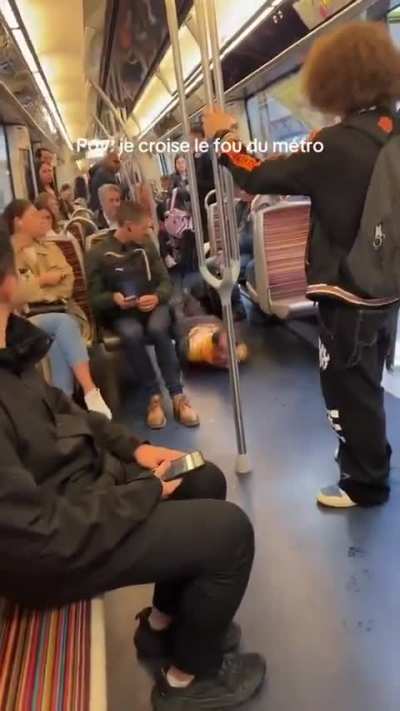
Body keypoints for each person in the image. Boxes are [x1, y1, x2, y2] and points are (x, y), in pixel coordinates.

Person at [0, 231, 266, 710]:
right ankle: (188, 681)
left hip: (81, 492)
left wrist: (137, 450)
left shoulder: (11, 353)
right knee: (231, 534)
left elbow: (70, 413)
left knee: (202, 478)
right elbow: (37, 536)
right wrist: (142, 493)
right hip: (54, 553)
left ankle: (162, 626)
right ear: (6, 283)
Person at [203, 21, 400, 509]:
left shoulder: (331, 144)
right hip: (386, 288)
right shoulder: (393, 132)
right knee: (367, 382)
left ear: (336, 83)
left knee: (346, 389)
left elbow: (258, 175)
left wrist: (223, 136)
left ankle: (365, 484)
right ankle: (373, 459)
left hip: (346, 292)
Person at [86, 201, 200, 429]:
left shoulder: (147, 246)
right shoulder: (97, 254)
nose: (148, 231)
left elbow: (165, 282)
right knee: (132, 333)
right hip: (122, 311)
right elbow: (94, 298)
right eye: (144, 227)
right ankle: (153, 396)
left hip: (153, 305)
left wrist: (156, 297)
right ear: (128, 226)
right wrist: (113, 299)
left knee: (158, 329)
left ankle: (177, 395)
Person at [2, 199, 110, 417]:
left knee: (56, 338)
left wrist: (36, 289)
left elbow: (67, 284)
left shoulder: (50, 248)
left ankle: (64, 408)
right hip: (24, 318)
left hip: (60, 309)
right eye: (34, 215)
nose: (41, 219)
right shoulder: (7, 255)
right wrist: (43, 281)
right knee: (62, 324)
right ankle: (90, 391)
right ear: (19, 221)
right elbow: (15, 296)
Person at [172, 290, 249, 368]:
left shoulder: (192, 349)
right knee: (185, 298)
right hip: (208, 323)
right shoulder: (235, 348)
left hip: (191, 329)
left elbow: (178, 328)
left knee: (178, 307)